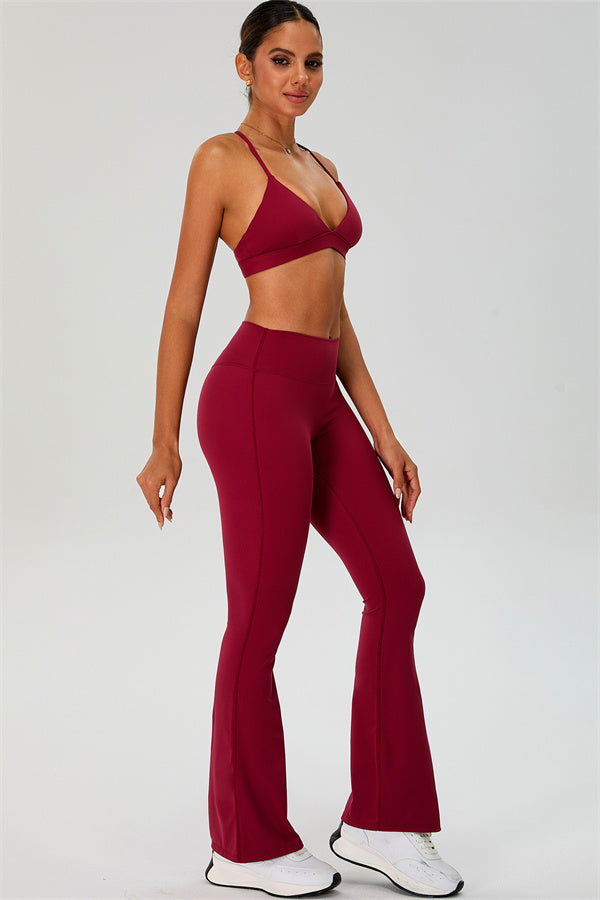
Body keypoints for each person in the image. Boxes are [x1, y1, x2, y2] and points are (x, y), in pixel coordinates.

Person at [136, 1, 465, 897]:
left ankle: (382, 822)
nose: (300, 77)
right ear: (243, 64)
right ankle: (244, 845)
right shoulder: (221, 159)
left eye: (313, 61)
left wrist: (383, 430)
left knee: (398, 586)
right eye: (281, 59)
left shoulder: (323, 167)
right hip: (253, 398)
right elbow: (183, 305)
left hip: (321, 400)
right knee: (261, 618)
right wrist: (163, 440)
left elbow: (335, 312)